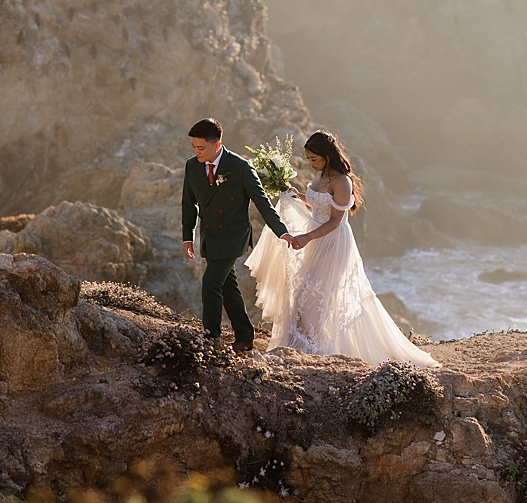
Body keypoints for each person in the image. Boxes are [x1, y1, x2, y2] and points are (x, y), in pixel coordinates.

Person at [243, 131, 438, 367]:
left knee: (314, 296)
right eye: (308, 158)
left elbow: (335, 220)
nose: (310, 163)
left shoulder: (342, 181)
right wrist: (299, 196)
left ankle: (314, 350)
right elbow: (319, 203)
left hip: (333, 242)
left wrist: (306, 237)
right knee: (303, 294)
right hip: (316, 238)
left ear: (327, 156)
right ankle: (303, 347)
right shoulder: (320, 174)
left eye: (314, 158)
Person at [181, 118, 291, 352]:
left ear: (217, 145)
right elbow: (188, 204)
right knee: (227, 286)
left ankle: (209, 339)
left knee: (210, 283)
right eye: (193, 147)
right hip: (210, 236)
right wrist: (187, 236)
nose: (196, 152)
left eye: (201, 148)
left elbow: (262, 203)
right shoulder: (192, 166)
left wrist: (282, 232)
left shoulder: (240, 167)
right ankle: (244, 336)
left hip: (233, 236)